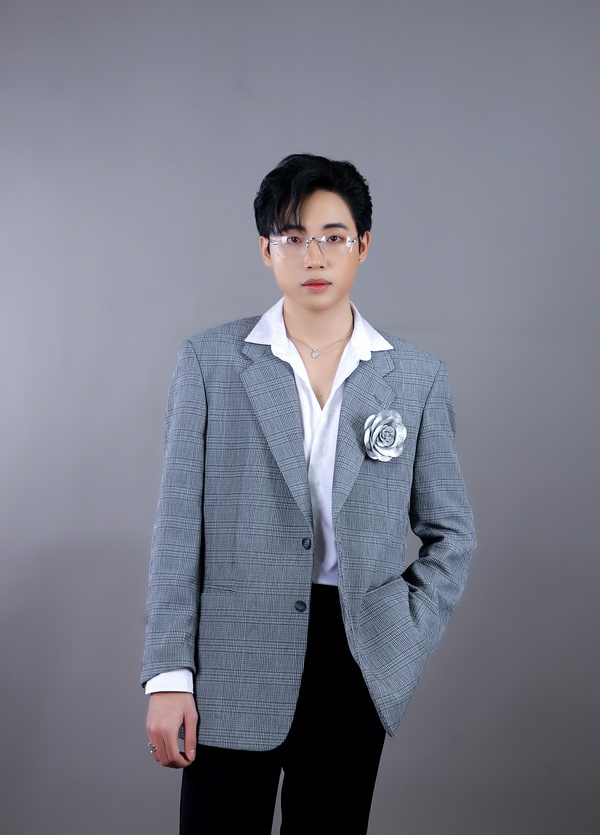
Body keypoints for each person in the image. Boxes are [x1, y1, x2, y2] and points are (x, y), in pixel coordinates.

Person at [141, 153, 476, 834]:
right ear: (266, 249)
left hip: (356, 655)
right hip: (233, 657)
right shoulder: (209, 363)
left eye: (332, 235)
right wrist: (169, 676)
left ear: (363, 245)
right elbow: (177, 530)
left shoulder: (416, 378)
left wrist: (401, 636)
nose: (313, 255)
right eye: (293, 236)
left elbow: (452, 534)